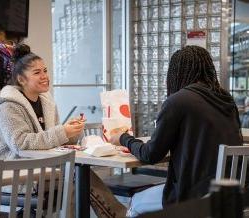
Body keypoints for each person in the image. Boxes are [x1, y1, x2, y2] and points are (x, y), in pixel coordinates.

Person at [92, 45, 242, 217]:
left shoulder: (178, 101)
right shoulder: (227, 100)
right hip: (227, 196)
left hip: (192, 198)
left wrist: (124, 138)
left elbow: (151, 154)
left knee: (135, 202)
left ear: (176, 73)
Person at [0, 43, 84, 160]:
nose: (44, 76)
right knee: (78, 176)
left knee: (86, 176)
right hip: (14, 170)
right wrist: (62, 132)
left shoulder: (48, 103)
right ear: (21, 79)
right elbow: (20, 143)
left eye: (45, 71)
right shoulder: (7, 106)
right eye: (37, 72)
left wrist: (72, 131)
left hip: (45, 166)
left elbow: (54, 141)